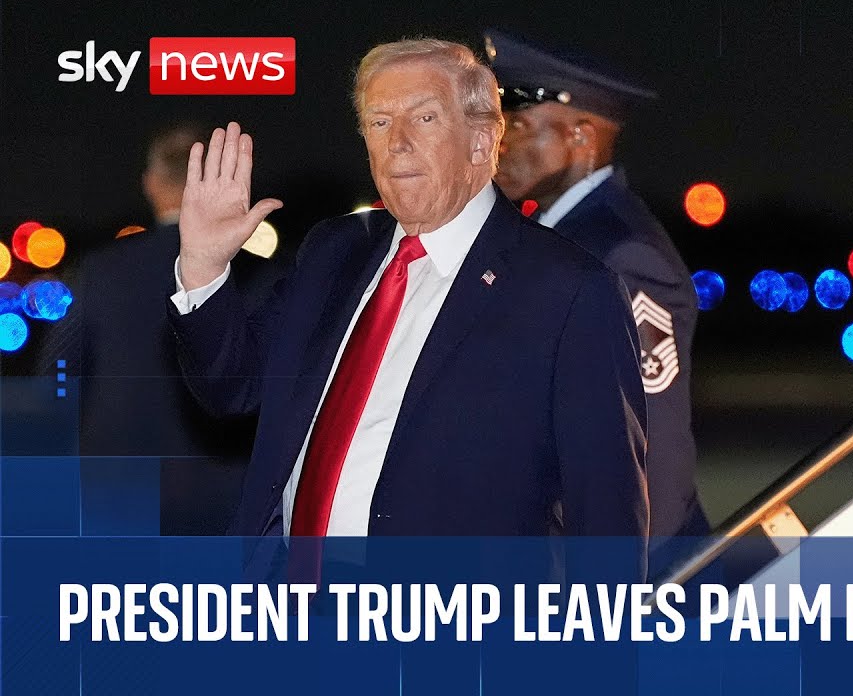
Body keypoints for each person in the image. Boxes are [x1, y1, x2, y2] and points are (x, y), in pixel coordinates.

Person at [166, 38, 650, 579]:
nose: (396, 144)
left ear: (481, 140)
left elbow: (606, 518)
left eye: (423, 118)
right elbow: (232, 386)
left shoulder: (567, 291)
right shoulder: (336, 252)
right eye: (378, 123)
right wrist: (205, 269)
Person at [484, 30, 709, 572]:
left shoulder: (623, 254)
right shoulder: (556, 235)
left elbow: (652, 443)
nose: (499, 145)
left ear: (581, 135)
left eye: (517, 126)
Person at [41, 123, 280, 535]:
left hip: (118, 489)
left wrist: (77, 432)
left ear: (151, 185)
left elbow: (57, 373)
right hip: (227, 492)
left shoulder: (102, 271)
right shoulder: (263, 276)